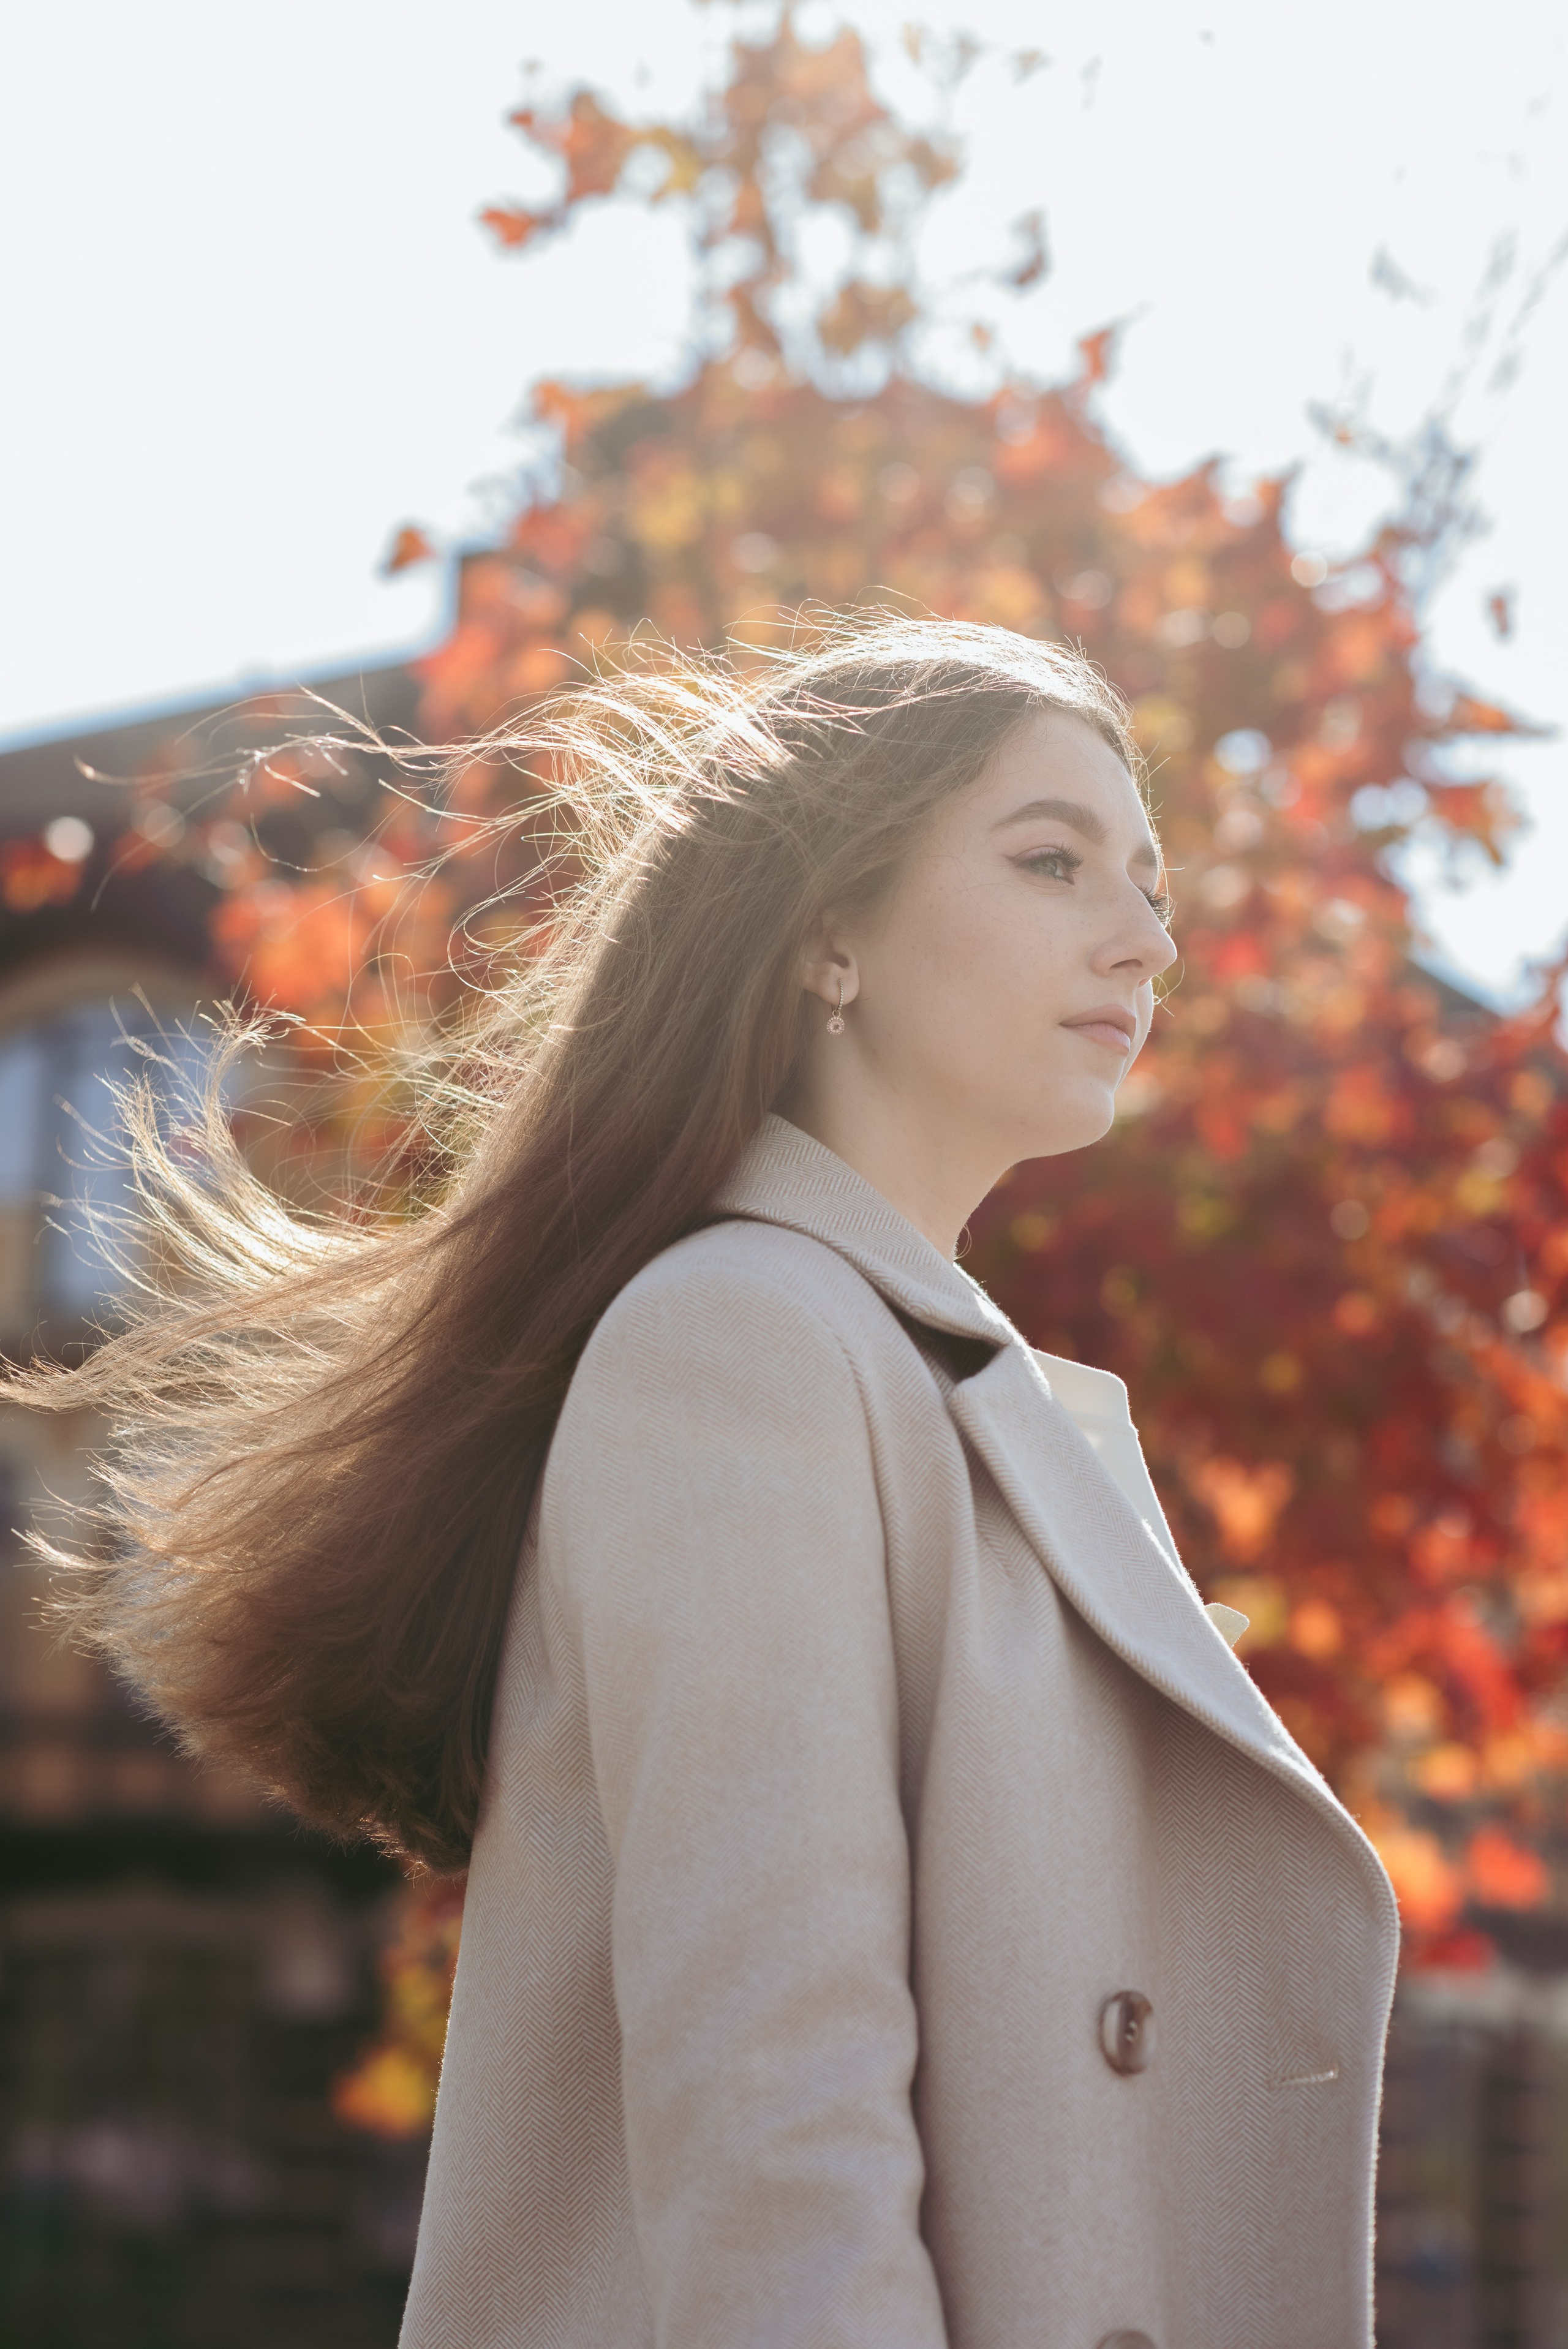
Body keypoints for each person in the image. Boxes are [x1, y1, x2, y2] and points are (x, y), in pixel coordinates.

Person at [19, 616, 1398, 2349]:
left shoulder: (945, 1389)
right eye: (1054, 862)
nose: (1148, 938)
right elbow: (779, 2123)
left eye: (1152, 881)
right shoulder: (741, 1343)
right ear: (828, 926)